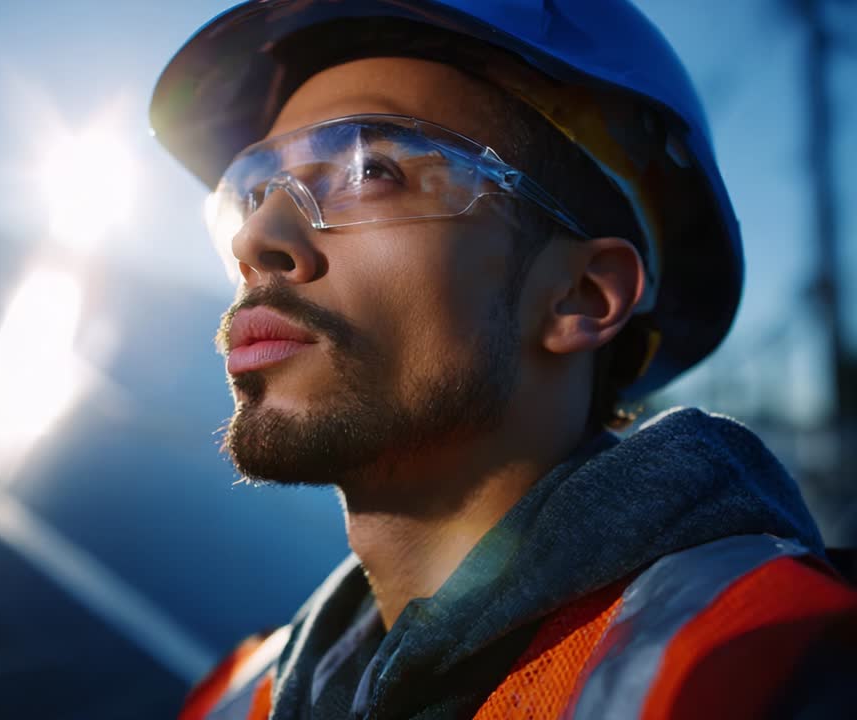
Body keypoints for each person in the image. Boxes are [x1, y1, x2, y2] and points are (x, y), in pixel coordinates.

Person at [148, 1, 857, 718]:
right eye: (253, 193)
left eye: (371, 169)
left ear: (582, 297)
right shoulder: (239, 698)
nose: (255, 238)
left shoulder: (772, 670)